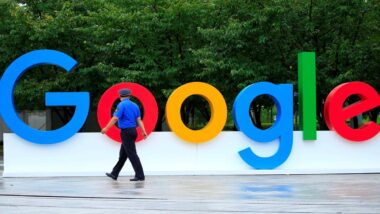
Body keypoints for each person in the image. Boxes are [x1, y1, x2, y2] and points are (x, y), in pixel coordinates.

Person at [101, 88, 147, 181]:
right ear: (129, 96)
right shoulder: (135, 105)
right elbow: (139, 120)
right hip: (133, 131)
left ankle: (140, 175)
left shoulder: (121, 105)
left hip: (126, 132)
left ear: (120, 96)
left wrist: (106, 128)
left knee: (132, 154)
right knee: (123, 155)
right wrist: (143, 131)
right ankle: (114, 173)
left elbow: (115, 118)